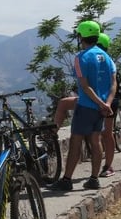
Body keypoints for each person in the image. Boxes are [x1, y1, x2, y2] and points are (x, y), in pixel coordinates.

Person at [49, 21, 116, 191]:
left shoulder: (81, 57)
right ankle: (94, 178)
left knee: (76, 142)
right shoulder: (107, 58)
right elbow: (113, 83)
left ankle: (67, 180)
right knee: (95, 140)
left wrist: (100, 103)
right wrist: (106, 103)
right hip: (101, 109)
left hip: (86, 106)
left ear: (81, 37)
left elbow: (85, 86)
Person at [97, 32, 118, 177]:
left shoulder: (106, 61)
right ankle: (106, 166)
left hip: (108, 101)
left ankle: (109, 166)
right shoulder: (107, 60)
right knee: (103, 134)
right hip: (103, 101)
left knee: (106, 133)